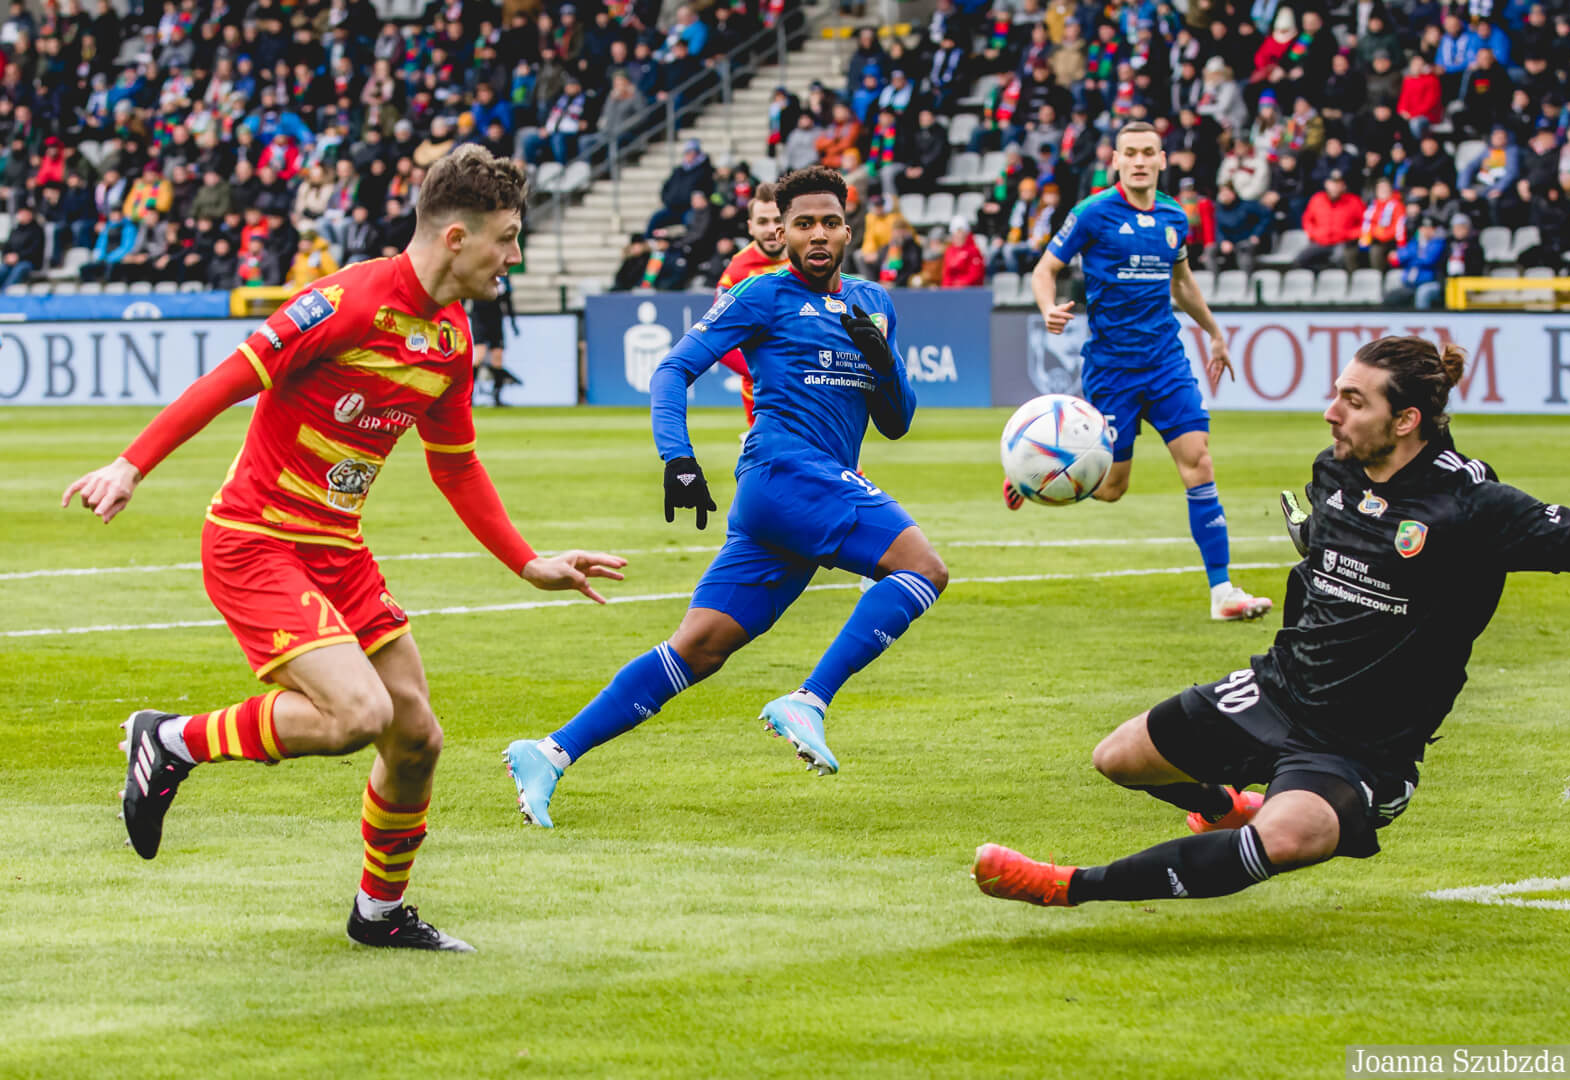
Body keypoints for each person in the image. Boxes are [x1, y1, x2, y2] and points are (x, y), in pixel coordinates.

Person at [971, 335, 1570, 909]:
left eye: (1353, 402)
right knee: (1118, 758)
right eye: (1336, 394)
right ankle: (1229, 800)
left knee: (1288, 838)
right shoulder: (1336, 472)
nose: (1332, 411)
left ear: (1405, 422)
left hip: (1361, 747)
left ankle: (1066, 888)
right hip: (1277, 691)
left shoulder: (1476, 509)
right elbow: (1319, 570)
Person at [64, 146, 625, 951]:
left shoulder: (452, 337)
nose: (516, 256)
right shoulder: (346, 301)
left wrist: (526, 561)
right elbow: (230, 376)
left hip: (337, 549)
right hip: (256, 541)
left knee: (417, 736)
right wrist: (131, 464)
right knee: (357, 714)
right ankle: (172, 739)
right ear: (458, 237)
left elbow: (456, 464)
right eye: (507, 238)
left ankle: (379, 913)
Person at [503, 166, 945, 825]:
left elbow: (898, 421)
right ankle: (811, 700)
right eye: (803, 224)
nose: (817, 234)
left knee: (700, 647)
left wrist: (883, 359)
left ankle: (550, 752)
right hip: (785, 471)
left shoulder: (874, 303)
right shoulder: (762, 296)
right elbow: (674, 367)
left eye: (829, 222)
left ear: (848, 230)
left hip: (804, 499)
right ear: (783, 234)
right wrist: (677, 458)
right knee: (924, 569)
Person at [1018, 122, 1272, 622]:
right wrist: (1048, 306)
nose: (1138, 161)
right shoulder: (1091, 214)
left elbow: (1182, 284)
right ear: (1115, 160)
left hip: (1166, 362)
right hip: (1112, 369)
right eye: (1129, 153)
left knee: (1198, 461)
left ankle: (1222, 593)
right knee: (1112, 488)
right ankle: (1039, 476)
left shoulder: (1175, 216)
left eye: (1147, 153)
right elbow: (1044, 269)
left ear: (1162, 161)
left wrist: (1215, 333)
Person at [712, 182, 789, 425]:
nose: (771, 229)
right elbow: (717, 338)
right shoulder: (737, 271)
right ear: (750, 227)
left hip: (814, 384)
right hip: (765, 397)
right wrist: (763, 371)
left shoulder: (809, 258)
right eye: (763, 222)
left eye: (777, 220)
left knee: (843, 460)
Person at [467, 270, 523, 407]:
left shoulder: (504, 275)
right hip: (479, 317)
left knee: (498, 357)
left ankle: (497, 397)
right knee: (479, 354)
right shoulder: (479, 270)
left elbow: (507, 300)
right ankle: (469, 396)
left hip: (496, 318)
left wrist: (513, 321)